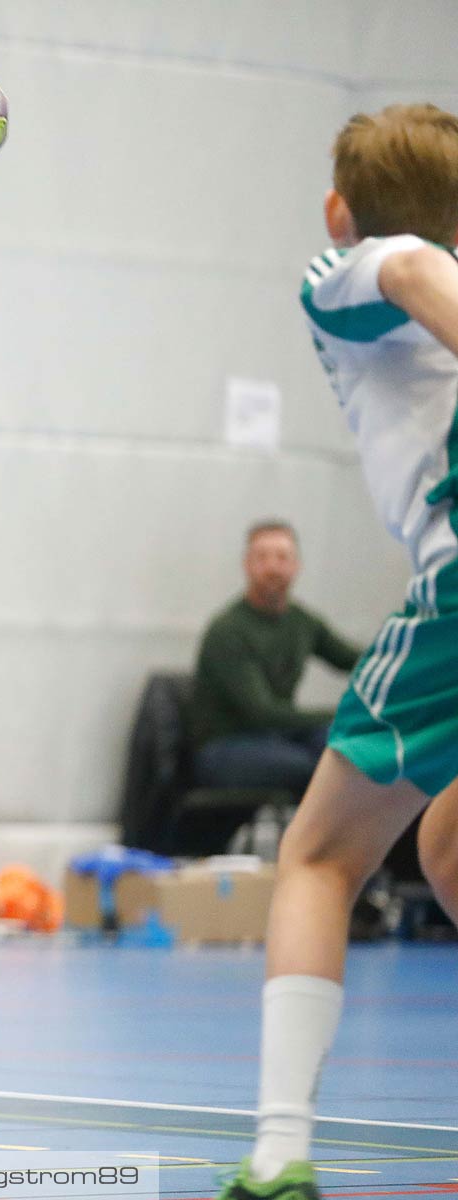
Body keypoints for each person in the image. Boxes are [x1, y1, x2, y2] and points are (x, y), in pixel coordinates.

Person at [219, 103, 458, 1200]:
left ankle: (277, 1154)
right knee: (449, 849)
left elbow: (405, 265)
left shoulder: (350, 266)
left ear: (337, 208)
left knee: (318, 858)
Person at [191, 521, 361, 794]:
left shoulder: (303, 622)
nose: (273, 567)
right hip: (227, 746)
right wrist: (343, 715)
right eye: (262, 558)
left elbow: (357, 661)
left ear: (297, 566)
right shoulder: (228, 630)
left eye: (282, 557)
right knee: (321, 766)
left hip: (277, 738)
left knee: (350, 748)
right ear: (247, 565)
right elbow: (262, 713)